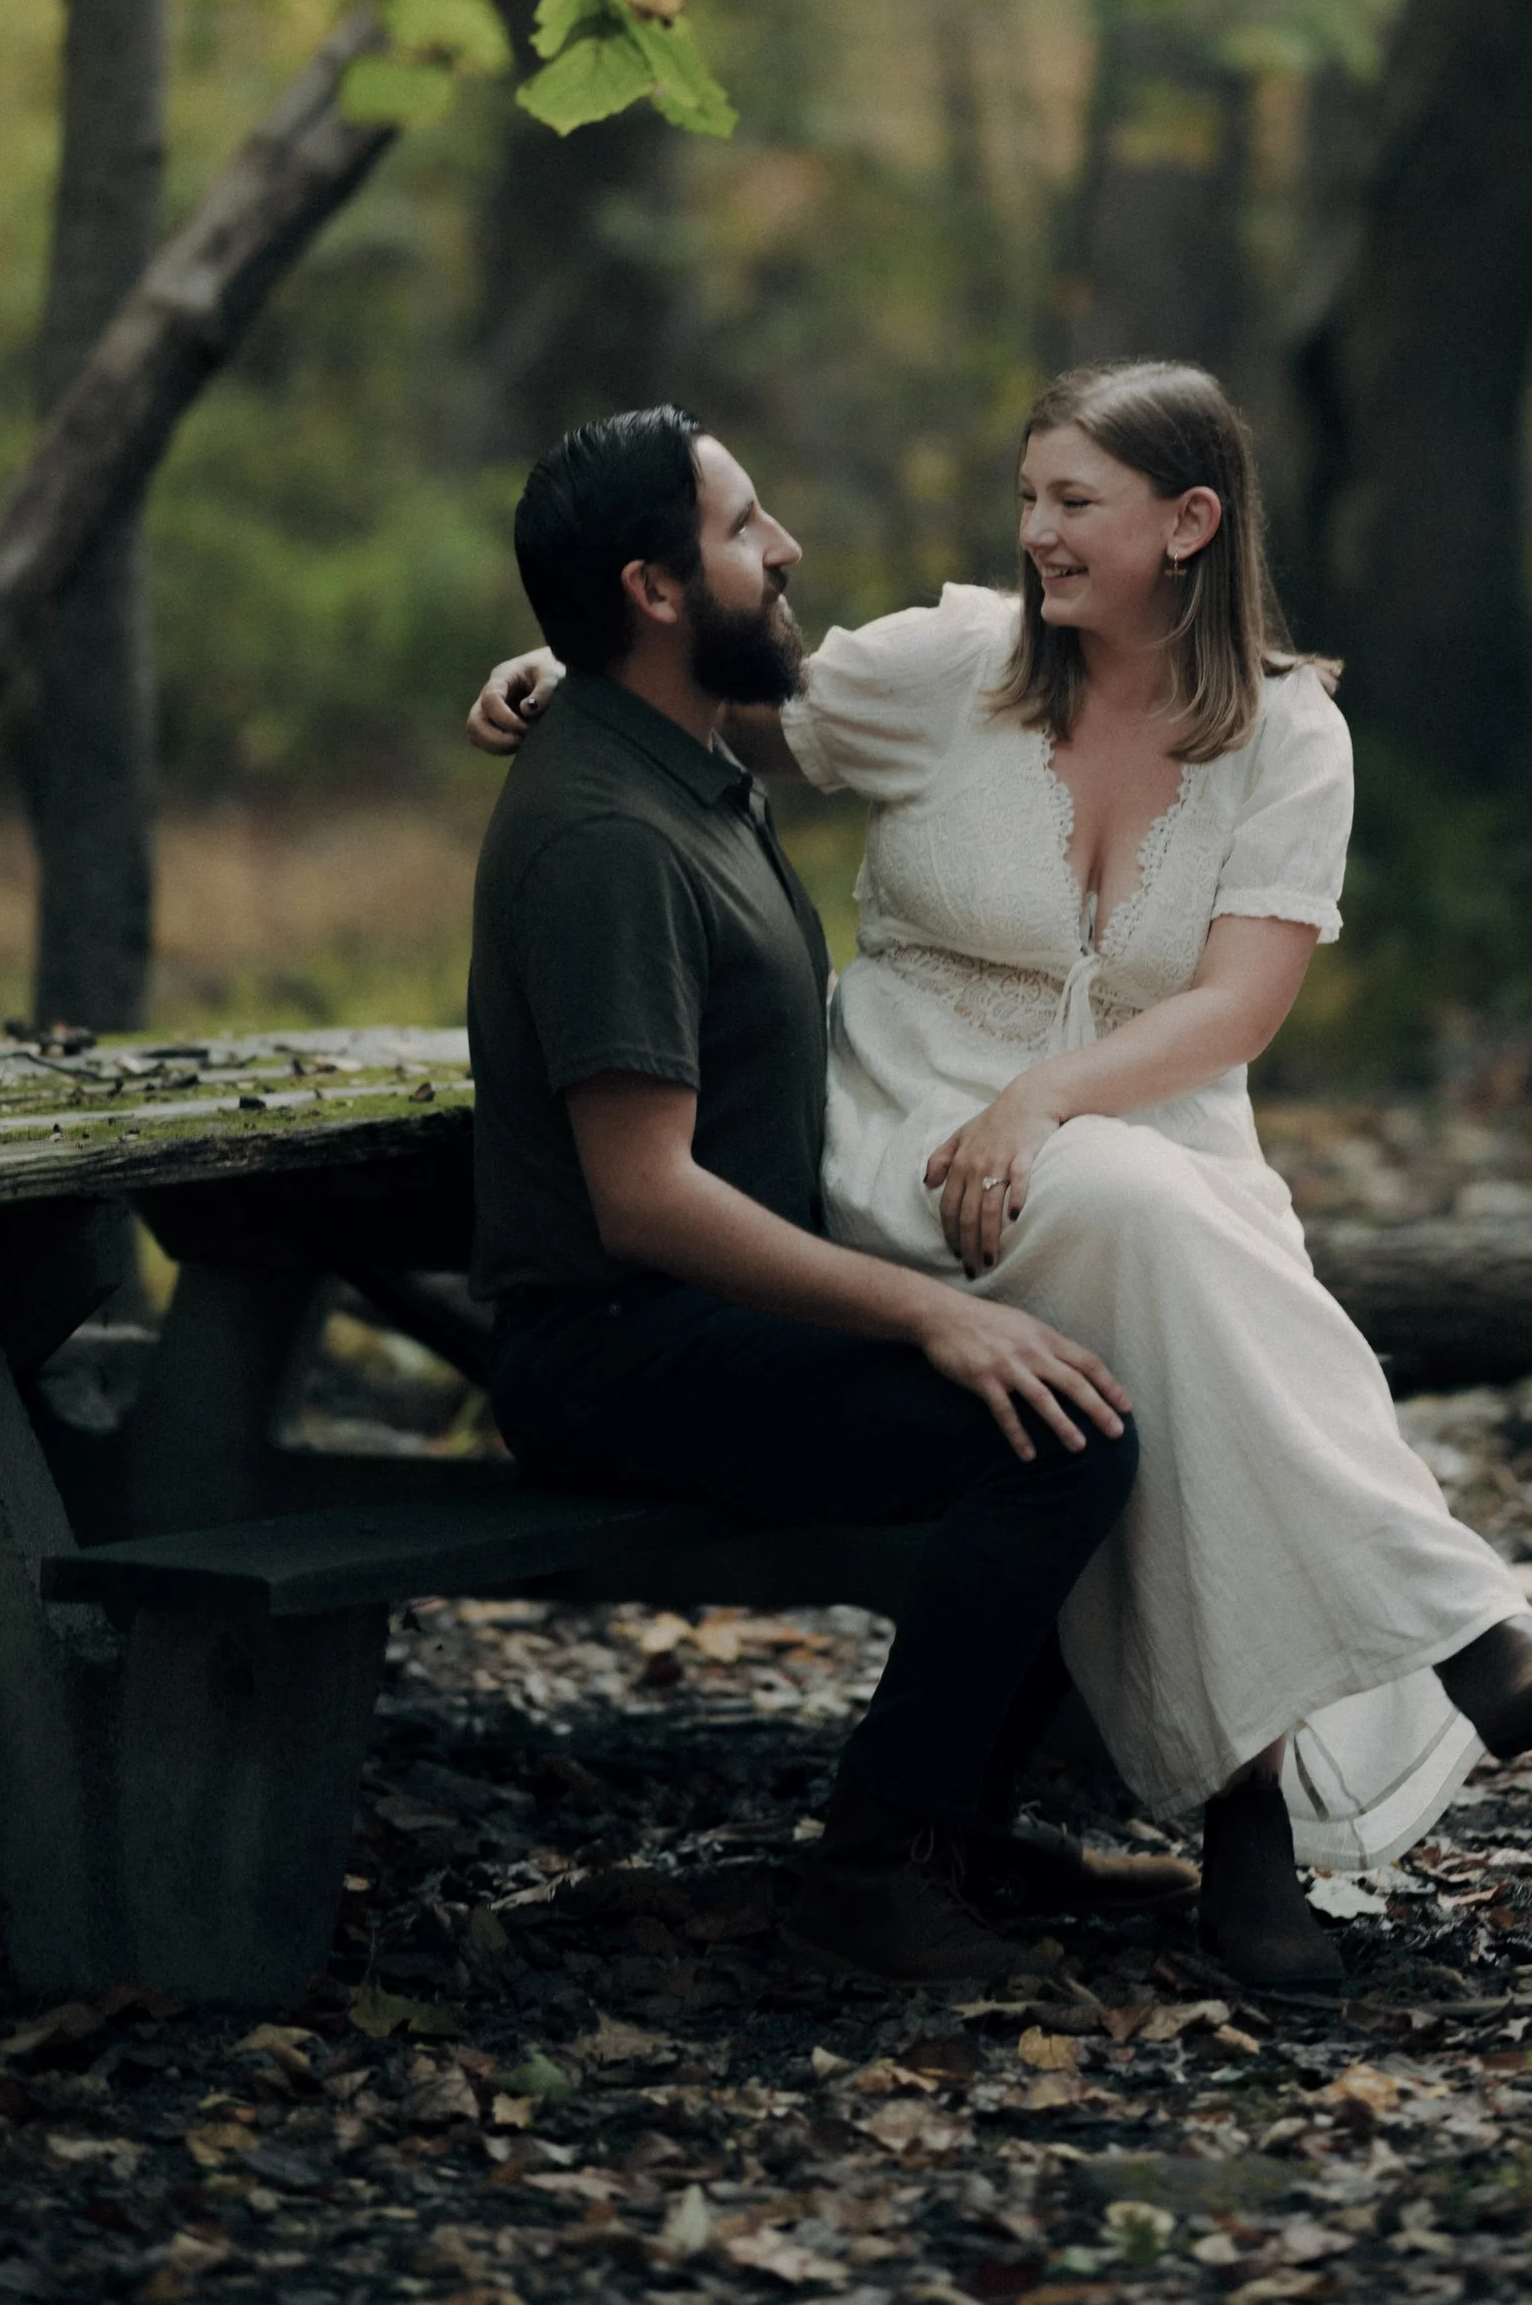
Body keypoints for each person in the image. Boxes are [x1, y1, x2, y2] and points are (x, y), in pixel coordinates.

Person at [471, 363, 1532, 1995]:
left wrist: (1054, 1099)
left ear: (1191, 521)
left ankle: (1214, 1812)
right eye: (1029, 498)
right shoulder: (947, 670)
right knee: (1125, 1269)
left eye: (1073, 502)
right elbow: (706, 681)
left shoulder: (1293, 732)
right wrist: (550, 661)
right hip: (914, 1141)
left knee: (1142, 1282)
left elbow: (1240, 1004)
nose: (1035, 535)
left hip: (1158, 1143)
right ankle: (1427, 1639)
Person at [467, 403, 1203, 1993]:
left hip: (691, 1314)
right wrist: (937, 1313)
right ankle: (873, 1871)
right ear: (656, 591)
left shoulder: (676, 762)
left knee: (1072, 1388)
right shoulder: (606, 834)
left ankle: (955, 1836)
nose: (788, 549)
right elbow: (644, 1199)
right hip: (614, 1344)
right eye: (746, 530)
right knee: (1062, 1437)